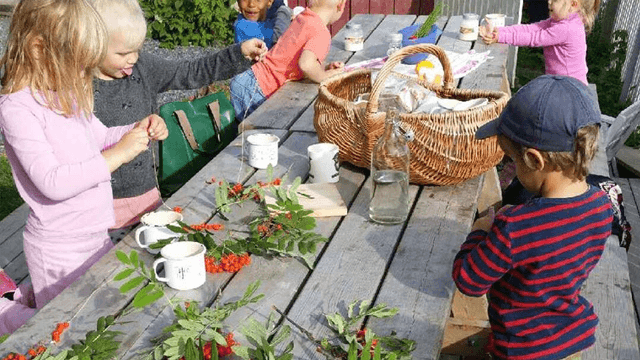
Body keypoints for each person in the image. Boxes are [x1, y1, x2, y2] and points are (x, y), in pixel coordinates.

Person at [0, 0, 169, 316]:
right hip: (58, 250)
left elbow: (101, 137)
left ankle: (22, 300)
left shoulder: (61, 93)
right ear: (39, 50)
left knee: (96, 317)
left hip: (94, 234)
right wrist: (119, 155)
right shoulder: (17, 109)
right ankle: (6, 316)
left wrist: (134, 129)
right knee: (60, 329)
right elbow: (53, 182)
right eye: (78, 63)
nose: (83, 74)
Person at [452, 75, 613, 360]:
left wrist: (479, 230)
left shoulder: (516, 226)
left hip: (523, 348)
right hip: (570, 341)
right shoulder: (602, 206)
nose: (513, 168)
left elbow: (469, 280)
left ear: (534, 160)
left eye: (513, 161)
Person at [89, 0, 268, 235]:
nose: (132, 59)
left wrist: (238, 54)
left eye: (137, 50)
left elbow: (188, 72)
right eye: (123, 53)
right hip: (98, 213)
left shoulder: (140, 68)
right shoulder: (76, 89)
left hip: (147, 197)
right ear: (91, 45)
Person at [230, 0, 346, 122]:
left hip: (250, 79)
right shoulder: (322, 33)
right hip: (259, 89)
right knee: (259, 133)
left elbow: (293, 57)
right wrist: (325, 76)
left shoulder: (302, 18)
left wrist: (322, 68)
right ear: (341, 5)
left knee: (245, 133)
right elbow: (306, 65)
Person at [479, 0, 600, 85]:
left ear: (573, 5)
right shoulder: (561, 21)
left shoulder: (567, 28)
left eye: (555, 0)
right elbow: (531, 29)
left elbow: (534, 38)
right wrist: (499, 31)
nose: (549, 1)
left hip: (569, 87)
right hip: (560, 83)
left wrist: (500, 37)